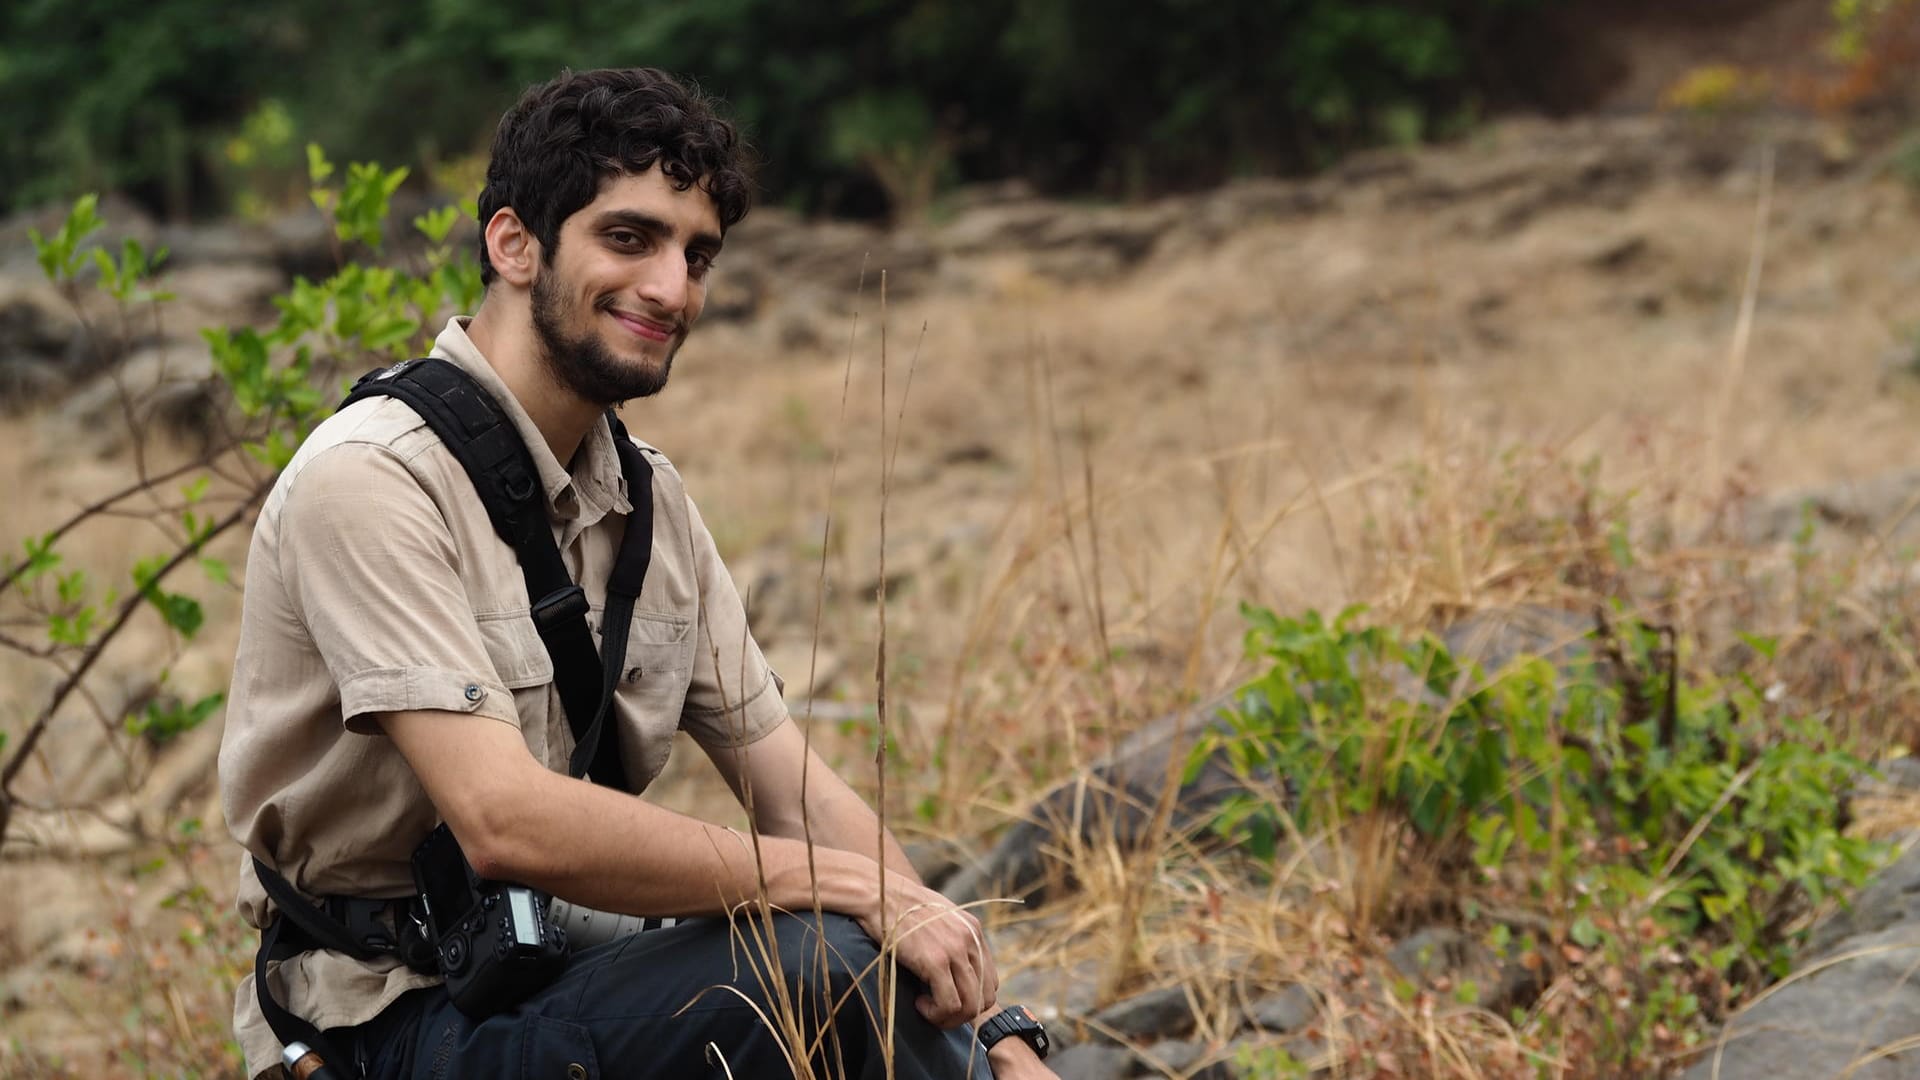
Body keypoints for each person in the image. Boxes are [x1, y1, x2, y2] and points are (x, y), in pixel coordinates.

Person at [218, 67, 1057, 1080]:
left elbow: (799, 794)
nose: (671, 288)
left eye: (696, 253)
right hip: (385, 1023)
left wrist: (995, 1031)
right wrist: (845, 891)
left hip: (561, 968)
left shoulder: (650, 502)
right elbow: (501, 819)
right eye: (629, 238)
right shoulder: (372, 481)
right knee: (827, 959)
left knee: (862, 957)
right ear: (514, 244)